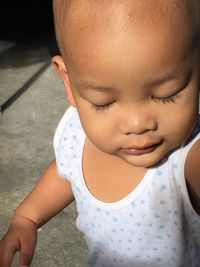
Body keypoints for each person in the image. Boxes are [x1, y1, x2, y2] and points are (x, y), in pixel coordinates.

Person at [0, 0, 200, 266]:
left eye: (167, 94)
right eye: (103, 101)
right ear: (68, 81)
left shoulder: (189, 157)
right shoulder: (77, 134)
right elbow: (66, 173)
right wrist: (27, 217)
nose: (136, 123)